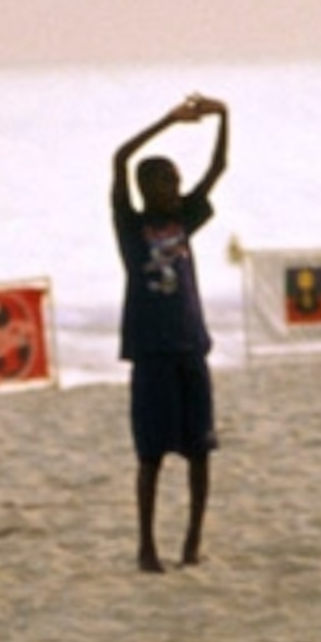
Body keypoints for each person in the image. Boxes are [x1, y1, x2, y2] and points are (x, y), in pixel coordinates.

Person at [112, 94, 229, 571]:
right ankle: (146, 546)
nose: (175, 190)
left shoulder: (183, 221)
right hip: (151, 352)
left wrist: (223, 117)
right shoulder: (131, 225)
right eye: (165, 183)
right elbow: (120, 158)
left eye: (177, 182)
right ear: (146, 188)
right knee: (151, 456)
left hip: (189, 347)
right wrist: (169, 120)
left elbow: (219, 167)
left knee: (200, 451)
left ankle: (191, 542)